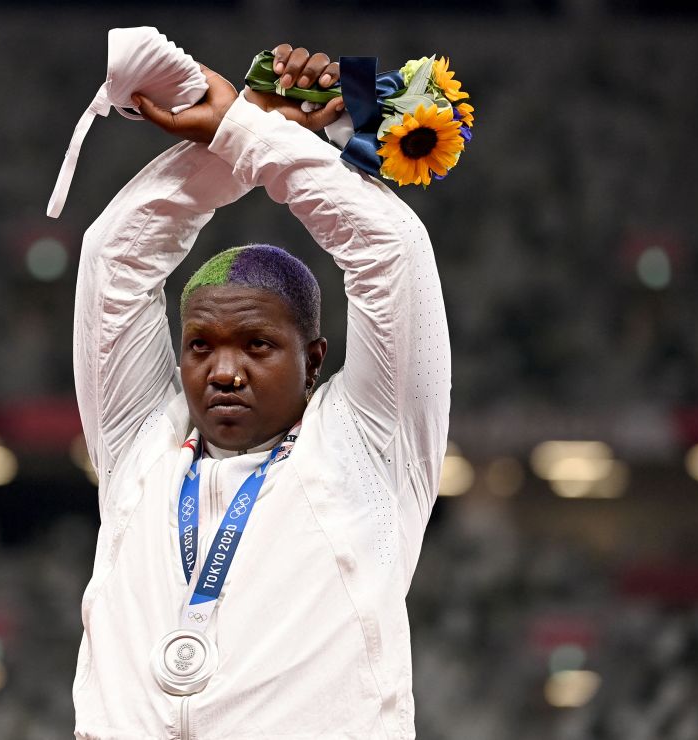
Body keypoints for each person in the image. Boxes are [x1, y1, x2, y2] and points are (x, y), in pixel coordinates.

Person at [72, 43, 451, 739]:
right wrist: (247, 127)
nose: (223, 372)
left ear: (313, 360)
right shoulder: (138, 445)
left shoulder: (368, 448)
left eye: (257, 346)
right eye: (200, 347)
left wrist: (246, 134)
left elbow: (388, 252)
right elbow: (116, 257)